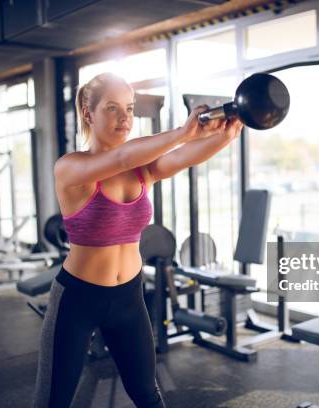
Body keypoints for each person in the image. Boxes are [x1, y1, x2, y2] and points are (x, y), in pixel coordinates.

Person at [32, 72, 243, 408]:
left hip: (129, 297)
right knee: (52, 402)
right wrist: (183, 132)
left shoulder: (142, 170)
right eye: (113, 108)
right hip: (77, 299)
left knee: (148, 394)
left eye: (129, 108)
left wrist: (228, 133)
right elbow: (121, 157)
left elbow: (183, 157)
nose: (125, 118)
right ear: (89, 113)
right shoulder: (71, 167)